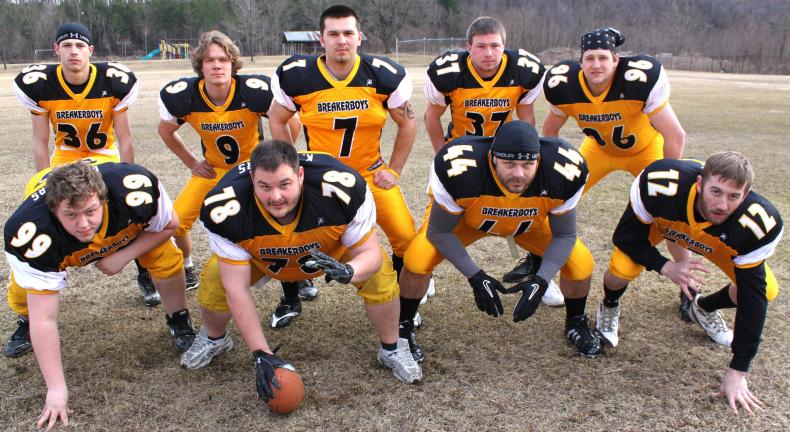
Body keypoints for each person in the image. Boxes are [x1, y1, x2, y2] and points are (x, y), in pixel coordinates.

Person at [179, 141, 422, 397]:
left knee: (378, 273)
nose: (276, 196)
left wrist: (350, 270)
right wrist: (261, 354)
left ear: (300, 175)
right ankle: (216, 339)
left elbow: (369, 253)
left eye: (285, 184)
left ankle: (392, 347)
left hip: (331, 252)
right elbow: (236, 288)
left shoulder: (342, 188)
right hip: (260, 257)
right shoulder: (226, 207)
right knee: (216, 281)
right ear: (252, 179)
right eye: (264, 186)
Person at [506, 26, 691, 318]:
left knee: (672, 215)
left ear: (616, 60)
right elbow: (551, 130)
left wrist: (669, 181)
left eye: (603, 58)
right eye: (589, 58)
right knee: (546, 199)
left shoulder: (638, 81)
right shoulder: (564, 84)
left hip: (645, 150)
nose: (596, 64)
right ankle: (540, 263)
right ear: (581, 61)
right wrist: (552, 171)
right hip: (597, 151)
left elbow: (675, 136)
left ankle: (689, 289)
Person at [3, 160, 196, 429]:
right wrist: (57, 389)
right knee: (26, 295)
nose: (83, 223)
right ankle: (24, 323)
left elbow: (168, 225)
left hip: (123, 229)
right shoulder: (32, 231)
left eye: (91, 210)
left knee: (165, 257)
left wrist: (124, 255)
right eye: (71, 214)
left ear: (104, 198)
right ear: (53, 209)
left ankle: (179, 320)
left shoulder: (133, 190)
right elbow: (45, 318)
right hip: (53, 235)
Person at [268, 5, 419, 334]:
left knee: (407, 240)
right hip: (319, 179)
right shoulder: (298, 75)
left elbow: (408, 124)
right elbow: (277, 118)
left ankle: (407, 309)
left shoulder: (382, 74)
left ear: (359, 37)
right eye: (333, 34)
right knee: (289, 236)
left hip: (369, 172)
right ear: (320, 39)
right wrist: (290, 169)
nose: (341, 40)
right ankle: (292, 297)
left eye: (348, 33)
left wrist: (393, 170)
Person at [399, 121, 601, 363]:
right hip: (469, 221)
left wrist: (540, 280)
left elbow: (565, 235)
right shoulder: (461, 168)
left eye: (528, 164)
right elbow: (439, 232)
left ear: (539, 159)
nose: (518, 173)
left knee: (581, 263)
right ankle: (404, 323)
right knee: (417, 258)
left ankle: (576, 321)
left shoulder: (564, 170)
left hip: (530, 224)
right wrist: (475, 276)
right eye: (509, 164)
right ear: (492, 157)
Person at [598, 152, 782, 415]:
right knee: (621, 268)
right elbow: (626, 238)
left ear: (746, 194)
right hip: (666, 224)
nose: (722, 204)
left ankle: (702, 307)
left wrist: (738, 370)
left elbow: (754, 297)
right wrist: (667, 267)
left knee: (768, 290)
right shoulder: (660, 184)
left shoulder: (757, 222)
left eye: (733, 196)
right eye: (716, 191)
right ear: (699, 183)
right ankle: (609, 305)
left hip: (717, 241)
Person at [157, 30, 313, 307]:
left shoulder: (252, 91)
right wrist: (192, 162)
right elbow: (165, 130)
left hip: (252, 173)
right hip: (214, 170)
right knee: (176, 222)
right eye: (209, 60)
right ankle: (189, 267)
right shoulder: (186, 97)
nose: (217, 65)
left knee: (280, 222)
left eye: (223, 59)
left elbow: (293, 123)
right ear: (200, 66)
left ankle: (296, 276)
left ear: (233, 64)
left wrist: (276, 160)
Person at [423, 16, 564, 307]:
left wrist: (531, 157)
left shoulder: (523, 70)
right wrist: (441, 155)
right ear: (468, 48)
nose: (489, 53)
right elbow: (432, 116)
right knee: (436, 216)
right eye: (481, 46)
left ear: (505, 45)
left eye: (495, 46)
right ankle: (426, 271)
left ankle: (540, 271)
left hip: (507, 155)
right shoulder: (448, 72)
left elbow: (526, 114)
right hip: (462, 154)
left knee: (534, 213)